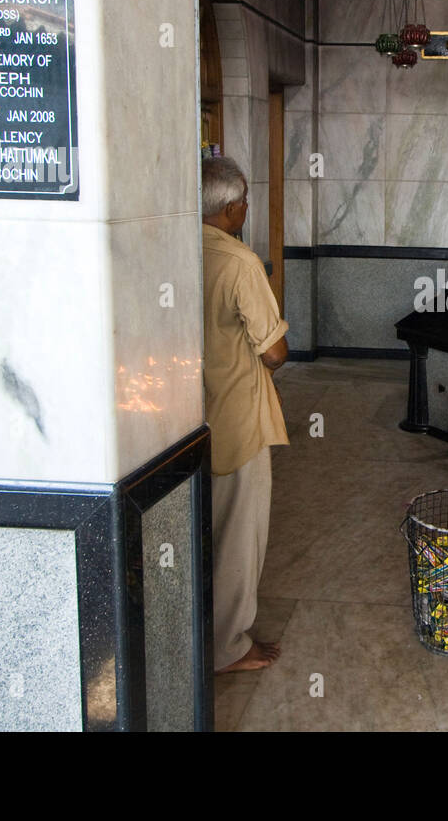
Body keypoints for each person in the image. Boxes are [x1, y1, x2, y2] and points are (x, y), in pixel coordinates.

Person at [201, 157, 289, 673]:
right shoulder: (239, 262)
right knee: (238, 534)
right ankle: (228, 646)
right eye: (246, 199)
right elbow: (274, 352)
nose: (247, 206)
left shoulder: (173, 248)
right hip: (236, 417)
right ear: (232, 207)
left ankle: (191, 630)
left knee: (202, 526)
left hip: (184, 416)